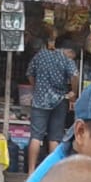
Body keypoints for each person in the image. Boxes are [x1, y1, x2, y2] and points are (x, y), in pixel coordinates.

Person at [25, 33, 80, 174]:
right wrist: (74, 92)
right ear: (70, 52)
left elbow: (29, 73)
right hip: (59, 101)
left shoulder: (41, 55)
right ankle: (52, 173)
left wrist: (36, 87)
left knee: (36, 136)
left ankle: (31, 172)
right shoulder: (66, 59)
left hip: (39, 100)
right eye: (73, 56)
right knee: (54, 138)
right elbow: (75, 76)